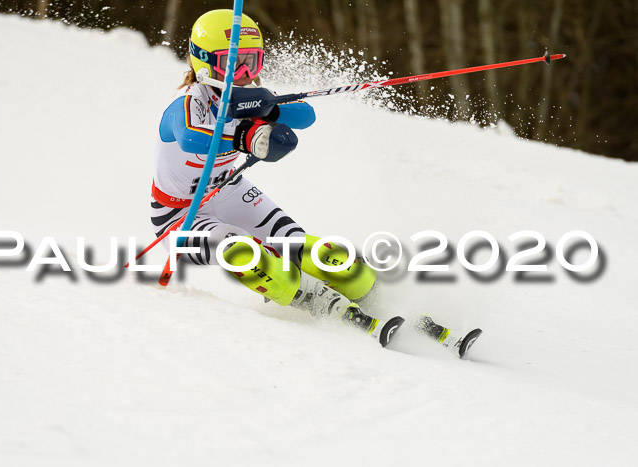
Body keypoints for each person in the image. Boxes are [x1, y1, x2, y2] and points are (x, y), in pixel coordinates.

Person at [151, 9, 480, 354]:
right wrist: (246, 136)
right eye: (233, 63)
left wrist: (271, 108)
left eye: (253, 62)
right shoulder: (188, 104)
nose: (245, 74)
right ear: (203, 62)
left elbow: (306, 115)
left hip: (229, 190)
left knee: (309, 248)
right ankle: (318, 299)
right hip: (179, 216)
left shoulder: (248, 96)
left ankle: (380, 297)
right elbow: (191, 137)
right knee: (243, 252)